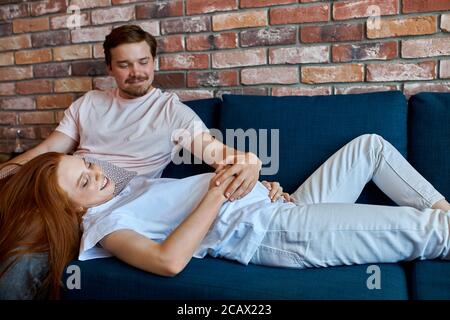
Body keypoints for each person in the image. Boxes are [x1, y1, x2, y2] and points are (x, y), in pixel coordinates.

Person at [0, 24, 285, 299]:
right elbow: (49, 149)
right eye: (124, 64)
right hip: (73, 180)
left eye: (143, 61)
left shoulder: (173, 113)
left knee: (29, 236)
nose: (136, 72)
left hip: (115, 192)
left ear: (153, 62)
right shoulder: (89, 103)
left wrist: (249, 162)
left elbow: (218, 154)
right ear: (109, 68)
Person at [1, 134, 449, 299]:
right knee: (427, 232)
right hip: (274, 233)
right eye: (84, 182)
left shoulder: (126, 191)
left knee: (369, 147)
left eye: (90, 166)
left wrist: (260, 187)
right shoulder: (104, 227)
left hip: (278, 205)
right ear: (70, 208)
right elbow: (169, 261)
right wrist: (221, 190)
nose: (98, 176)